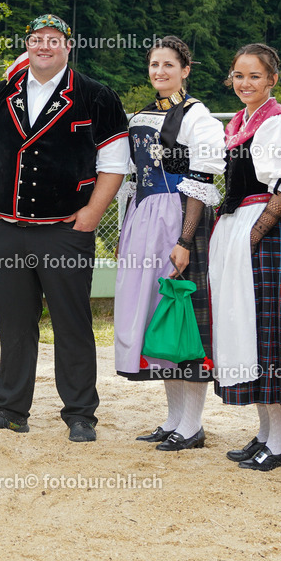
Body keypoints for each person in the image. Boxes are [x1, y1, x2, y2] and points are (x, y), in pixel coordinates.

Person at [0, 14, 128, 442]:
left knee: (71, 323)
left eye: (53, 40)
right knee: (13, 324)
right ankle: (10, 409)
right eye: (37, 40)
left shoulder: (96, 96)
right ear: (28, 44)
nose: (44, 47)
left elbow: (115, 163)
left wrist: (90, 216)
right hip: (7, 229)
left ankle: (79, 413)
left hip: (65, 230)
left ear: (68, 47)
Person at [114, 36, 225, 451]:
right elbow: (132, 176)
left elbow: (202, 183)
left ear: (185, 69)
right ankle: (173, 418)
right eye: (154, 64)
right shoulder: (142, 114)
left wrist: (184, 238)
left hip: (181, 219)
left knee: (182, 316)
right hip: (144, 219)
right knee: (156, 317)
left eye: (169, 65)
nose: (160, 72)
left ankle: (192, 424)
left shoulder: (198, 117)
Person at [208, 44, 281, 470]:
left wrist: (256, 232)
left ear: (273, 80)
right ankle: (266, 433)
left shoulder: (280, 124)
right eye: (238, 76)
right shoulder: (240, 122)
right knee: (244, 331)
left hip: (263, 233)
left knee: (267, 333)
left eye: (254, 76)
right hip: (240, 229)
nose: (245, 83)